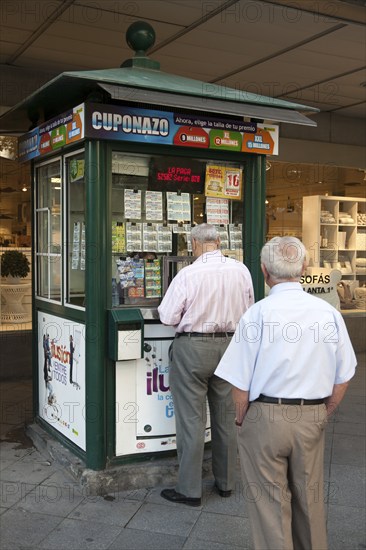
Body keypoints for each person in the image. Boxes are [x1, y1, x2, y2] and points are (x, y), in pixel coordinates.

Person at [215, 236, 357, 550]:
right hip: (311, 414)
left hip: (264, 415)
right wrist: (324, 411)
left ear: (264, 271)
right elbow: (345, 373)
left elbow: (238, 381)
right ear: (304, 267)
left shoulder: (257, 313)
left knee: (269, 505)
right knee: (311, 499)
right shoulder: (327, 313)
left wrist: (242, 419)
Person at [158, 223, 254, 507]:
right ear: (220, 241)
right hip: (230, 346)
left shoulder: (188, 273)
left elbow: (167, 316)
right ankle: (226, 484)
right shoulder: (242, 271)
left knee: (191, 420)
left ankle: (189, 490)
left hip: (194, 348)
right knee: (226, 417)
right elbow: (249, 310)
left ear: (195, 244)